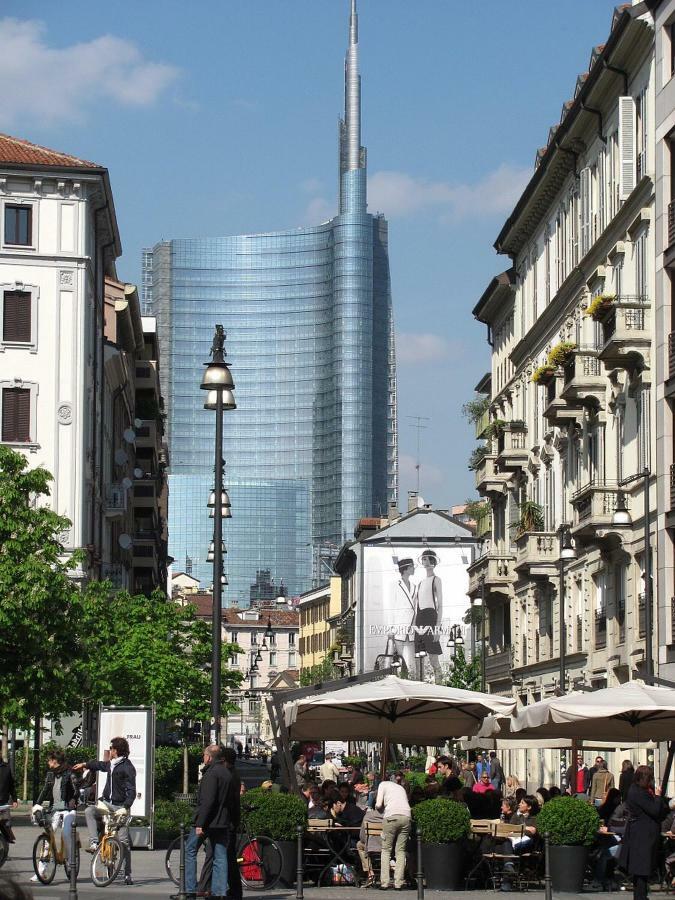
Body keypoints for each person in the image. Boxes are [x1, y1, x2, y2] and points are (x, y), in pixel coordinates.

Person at [171, 744, 235, 900]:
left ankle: (190, 889)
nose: (203, 758)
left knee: (190, 851)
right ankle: (219, 892)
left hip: (208, 822)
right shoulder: (227, 773)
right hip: (222, 822)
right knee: (220, 856)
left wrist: (200, 823)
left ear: (209, 757)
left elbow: (208, 801)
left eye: (204, 755)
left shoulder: (211, 774)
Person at [74, 737, 136, 884]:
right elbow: (99, 765)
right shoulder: (111, 764)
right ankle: (95, 842)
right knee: (90, 811)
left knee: (124, 842)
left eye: (111, 748)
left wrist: (126, 807)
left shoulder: (127, 767)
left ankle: (128, 874)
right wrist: (85, 764)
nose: (110, 751)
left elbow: (132, 790)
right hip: (107, 803)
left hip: (120, 806)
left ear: (116, 750)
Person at [197, 746, 242, 900]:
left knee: (216, 855)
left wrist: (201, 822)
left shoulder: (225, 775)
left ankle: (209, 889)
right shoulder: (232, 775)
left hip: (221, 822)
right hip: (227, 822)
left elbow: (213, 801)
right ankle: (223, 890)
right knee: (225, 857)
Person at [619, 764, 669, 900]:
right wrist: (658, 797)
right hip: (642, 835)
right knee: (641, 869)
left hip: (645, 833)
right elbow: (654, 810)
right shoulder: (637, 792)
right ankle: (640, 897)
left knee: (643, 870)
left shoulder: (643, 790)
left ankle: (641, 896)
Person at [31, 750, 79, 884]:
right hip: (55, 809)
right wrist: (37, 805)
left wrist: (73, 800)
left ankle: (70, 863)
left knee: (66, 834)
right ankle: (41, 871)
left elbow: (76, 790)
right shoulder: (51, 775)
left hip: (68, 810)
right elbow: (45, 790)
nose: (48, 762)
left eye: (49, 760)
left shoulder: (69, 773)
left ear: (54, 761)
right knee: (48, 838)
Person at [375, 776, 411, 890]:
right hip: (406, 817)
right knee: (400, 850)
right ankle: (398, 883)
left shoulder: (382, 785)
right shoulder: (400, 788)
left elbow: (378, 804)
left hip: (391, 817)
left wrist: (378, 808)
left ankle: (384, 883)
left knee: (386, 850)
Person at [413, 550, 443, 682]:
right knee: (419, 656)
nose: (425, 562)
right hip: (420, 618)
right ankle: (420, 683)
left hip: (431, 616)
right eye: (423, 559)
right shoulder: (420, 583)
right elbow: (416, 606)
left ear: (432, 561)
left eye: (427, 559)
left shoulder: (436, 580)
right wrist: (414, 625)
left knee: (433, 656)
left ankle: (440, 683)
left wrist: (437, 627)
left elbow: (440, 604)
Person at [357, 804, 383, 887]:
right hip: (388, 847)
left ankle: (370, 873)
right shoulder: (390, 815)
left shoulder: (368, 816)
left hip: (371, 847)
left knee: (359, 844)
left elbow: (362, 837)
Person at [0, 757, 17, 843]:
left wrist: (14, 800)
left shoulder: (6, 768)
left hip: (3, 802)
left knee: (6, 824)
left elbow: (11, 785)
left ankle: (6, 843)